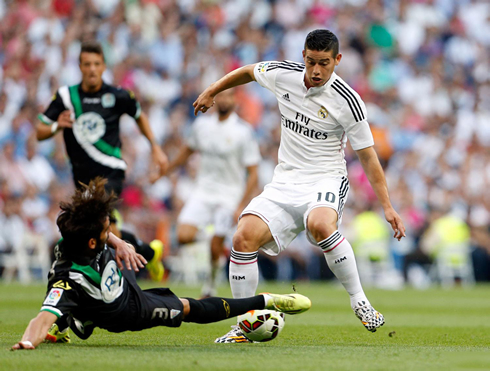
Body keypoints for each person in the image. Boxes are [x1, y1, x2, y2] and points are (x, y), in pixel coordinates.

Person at [193, 29, 406, 343]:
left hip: (326, 178)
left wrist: (387, 205)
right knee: (242, 237)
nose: (316, 71)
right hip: (285, 181)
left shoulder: (349, 101)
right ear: (303, 57)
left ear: (337, 60)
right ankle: (243, 325)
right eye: (310, 62)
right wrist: (213, 89)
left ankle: (359, 300)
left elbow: (368, 157)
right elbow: (249, 71)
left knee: (320, 224)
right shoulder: (283, 75)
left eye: (324, 63)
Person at [10, 177, 311, 350]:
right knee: (190, 307)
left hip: (117, 278)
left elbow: (106, 235)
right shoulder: (67, 280)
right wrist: (27, 343)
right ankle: (269, 301)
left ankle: (151, 254)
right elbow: (40, 318)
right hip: (127, 311)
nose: (108, 231)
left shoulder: (76, 237)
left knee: (128, 240)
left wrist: (117, 242)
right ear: (92, 242)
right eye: (105, 231)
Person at [36, 41, 166, 281]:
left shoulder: (117, 95)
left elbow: (139, 115)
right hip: (82, 179)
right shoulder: (67, 97)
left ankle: (119, 285)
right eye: (87, 64)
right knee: (104, 229)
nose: (92, 69)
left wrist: (156, 148)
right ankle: (148, 252)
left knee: (100, 223)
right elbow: (39, 131)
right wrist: (56, 125)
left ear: (104, 66)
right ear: (80, 66)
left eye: (97, 64)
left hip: (111, 171)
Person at [164, 89, 260, 297]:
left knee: (216, 246)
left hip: (229, 195)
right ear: (216, 100)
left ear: (235, 100)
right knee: (182, 235)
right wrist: (167, 169)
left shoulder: (243, 131)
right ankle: (212, 238)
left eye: (229, 96)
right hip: (203, 191)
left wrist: (241, 204)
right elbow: (186, 151)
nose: (225, 100)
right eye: (221, 96)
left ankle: (210, 287)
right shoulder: (202, 126)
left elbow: (253, 173)